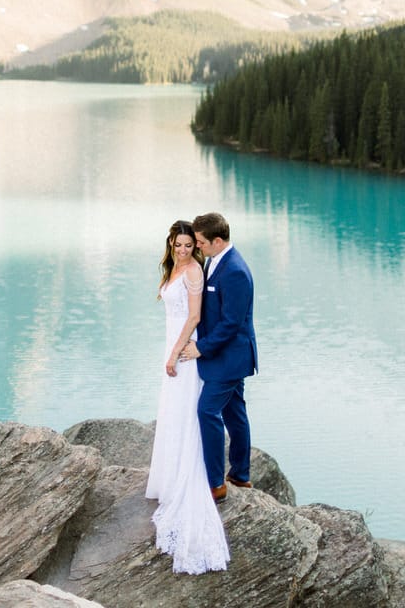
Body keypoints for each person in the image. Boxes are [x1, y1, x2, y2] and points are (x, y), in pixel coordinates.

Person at [145, 220, 230, 574]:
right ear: (171, 243)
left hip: (182, 353)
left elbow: (194, 316)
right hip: (173, 347)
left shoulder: (194, 270)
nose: (182, 250)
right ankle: (168, 476)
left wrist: (176, 352)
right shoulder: (174, 267)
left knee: (182, 414)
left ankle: (187, 478)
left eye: (187, 245)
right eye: (177, 245)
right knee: (172, 414)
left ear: (195, 246)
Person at [177, 211, 258, 503]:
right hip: (227, 356)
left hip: (230, 357)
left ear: (218, 240)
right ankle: (240, 474)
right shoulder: (215, 261)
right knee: (235, 413)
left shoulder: (235, 270)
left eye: (200, 242)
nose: (197, 247)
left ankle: (215, 484)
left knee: (207, 411)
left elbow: (231, 323)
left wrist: (201, 347)